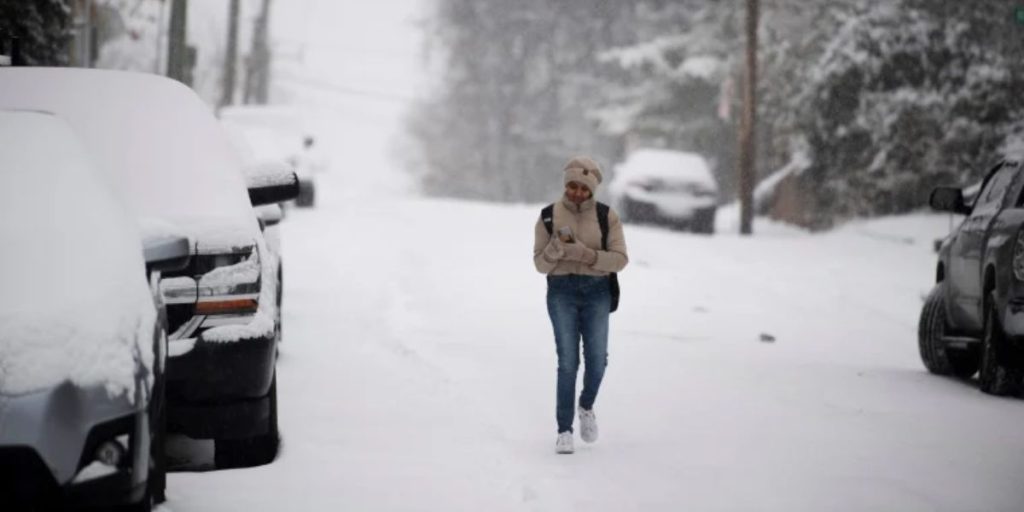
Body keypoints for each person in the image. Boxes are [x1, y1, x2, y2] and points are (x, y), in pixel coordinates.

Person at [533, 156, 629, 454]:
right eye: (572, 186)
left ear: (592, 189)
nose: (576, 192)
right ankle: (564, 430)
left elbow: (620, 259)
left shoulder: (606, 216)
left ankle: (586, 406)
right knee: (568, 363)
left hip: (597, 291)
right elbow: (539, 264)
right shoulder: (548, 216)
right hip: (561, 291)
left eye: (583, 188)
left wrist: (586, 255)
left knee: (597, 360)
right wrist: (555, 250)